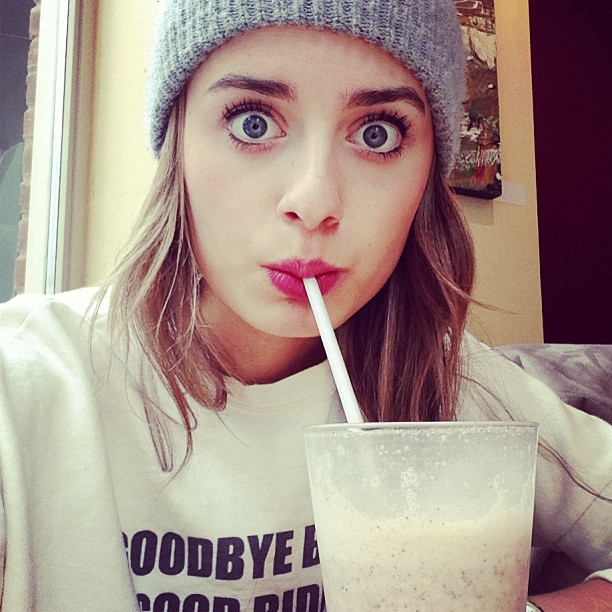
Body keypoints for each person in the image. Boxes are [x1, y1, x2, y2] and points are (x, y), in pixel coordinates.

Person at [0, 0, 610, 610]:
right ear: (176, 145)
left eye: (377, 133)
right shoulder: (29, 387)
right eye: (253, 123)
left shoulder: (456, 386)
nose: (314, 201)